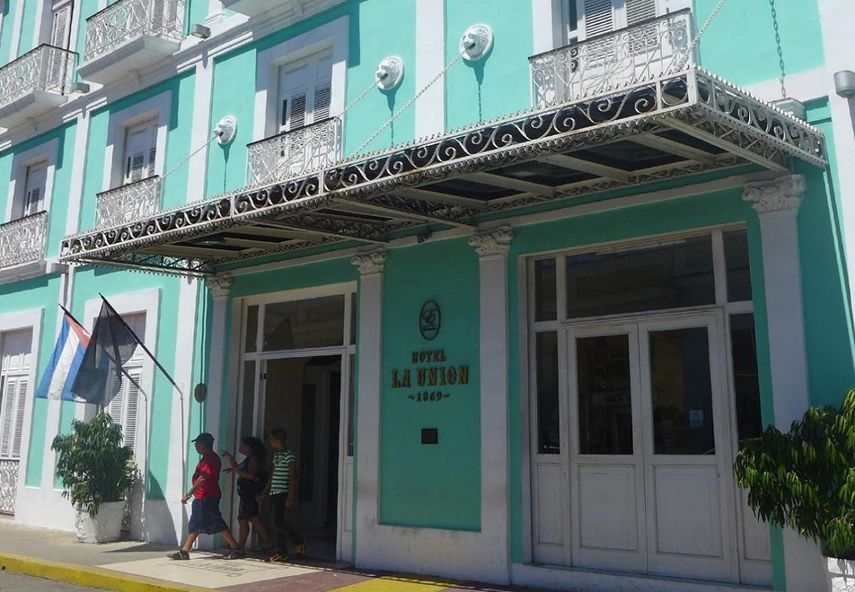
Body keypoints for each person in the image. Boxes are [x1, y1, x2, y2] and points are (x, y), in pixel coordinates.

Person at [168, 432, 243, 560]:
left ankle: (235, 547)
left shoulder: (210, 459)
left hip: (206, 496)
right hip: (203, 496)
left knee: (215, 522)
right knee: (197, 524)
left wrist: (188, 494)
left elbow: (203, 478)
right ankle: (184, 551)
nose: (196, 446)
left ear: (203, 444)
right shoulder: (207, 458)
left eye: (197, 443)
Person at [263, 428, 304, 562]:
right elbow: (273, 474)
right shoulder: (277, 454)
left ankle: (298, 540)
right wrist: (265, 492)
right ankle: (281, 551)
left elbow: (294, 475)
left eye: (271, 439)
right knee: (275, 523)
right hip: (274, 492)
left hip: (283, 492)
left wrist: (291, 495)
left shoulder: (289, 454)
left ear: (278, 440)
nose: (270, 442)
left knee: (277, 522)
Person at [223, 436, 271, 552]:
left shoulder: (253, 459)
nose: (241, 447)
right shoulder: (249, 458)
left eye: (243, 445)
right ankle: (265, 543)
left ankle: (242, 545)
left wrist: (237, 471)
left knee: (244, 520)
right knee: (253, 519)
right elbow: (238, 469)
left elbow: (251, 475)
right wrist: (230, 458)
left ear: (249, 447)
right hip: (246, 494)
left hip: (248, 495)